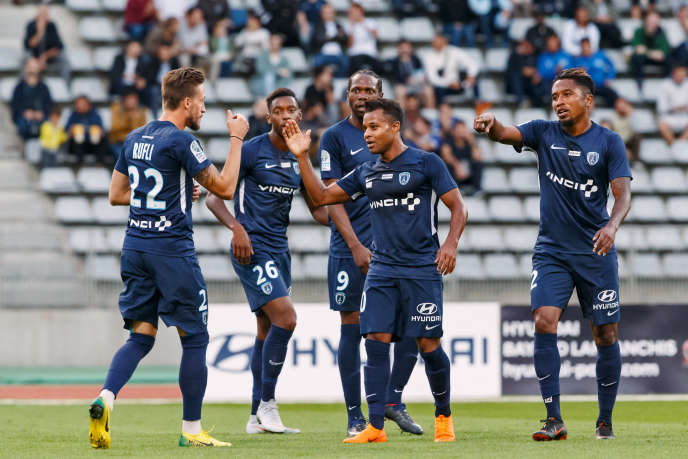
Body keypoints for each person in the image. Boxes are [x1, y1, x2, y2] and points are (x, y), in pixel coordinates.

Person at [286, 97, 468, 443]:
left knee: (429, 344)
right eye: (365, 127)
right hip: (382, 270)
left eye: (374, 127)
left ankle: (443, 416)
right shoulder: (367, 170)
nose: (367, 134)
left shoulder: (426, 162)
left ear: (395, 127)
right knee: (375, 341)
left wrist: (450, 244)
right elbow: (324, 197)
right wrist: (301, 157)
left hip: (420, 269)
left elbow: (458, 207)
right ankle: (375, 427)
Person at [88, 67, 249, 449]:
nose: (205, 109)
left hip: (135, 248)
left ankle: (105, 397)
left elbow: (116, 194)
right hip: (171, 252)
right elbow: (224, 188)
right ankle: (191, 430)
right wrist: (236, 139)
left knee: (141, 338)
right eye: (204, 101)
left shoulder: (134, 137)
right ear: (188, 102)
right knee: (195, 338)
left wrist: (174, 195)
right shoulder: (182, 141)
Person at [474, 67, 632, 441]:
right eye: (554, 96)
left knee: (605, 334)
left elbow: (623, 193)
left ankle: (604, 421)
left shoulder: (609, 142)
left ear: (587, 101)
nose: (558, 102)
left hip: (595, 252)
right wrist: (494, 123)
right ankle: (553, 418)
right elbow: (506, 133)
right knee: (544, 320)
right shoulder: (543, 133)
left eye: (566, 95)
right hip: (552, 252)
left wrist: (611, 227)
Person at [205, 88, 328, 435]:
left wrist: (354, 228)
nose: (286, 116)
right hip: (251, 248)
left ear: (300, 116)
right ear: (269, 117)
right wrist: (237, 228)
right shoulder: (252, 151)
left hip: (278, 250)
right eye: (279, 111)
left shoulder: (299, 156)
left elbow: (318, 208)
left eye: (292, 110)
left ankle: (254, 418)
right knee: (286, 319)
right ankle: (268, 405)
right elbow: (215, 200)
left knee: (266, 329)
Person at [317, 70, 428, 437]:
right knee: (353, 329)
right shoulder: (334, 137)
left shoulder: (387, 133)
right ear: (346, 94)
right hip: (350, 250)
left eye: (369, 89)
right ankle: (355, 415)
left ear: (380, 94)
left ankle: (393, 400)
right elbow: (331, 197)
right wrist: (355, 245)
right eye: (356, 89)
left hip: (392, 252)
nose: (362, 94)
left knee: (411, 327)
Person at [423, 33, 479, 104]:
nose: (434, 43)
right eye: (434, 41)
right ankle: (441, 110)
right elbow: (433, 79)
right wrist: (448, 84)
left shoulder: (454, 51)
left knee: (474, 82)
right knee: (434, 90)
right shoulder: (428, 56)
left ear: (444, 41)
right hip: (441, 86)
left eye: (438, 40)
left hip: (458, 84)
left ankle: (478, 107)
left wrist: (471, 75)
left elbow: (472, 63)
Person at [23, 5, 70, 83]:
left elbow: (59, 46)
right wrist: (40, 33)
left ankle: (65, 86)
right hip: (34, 57)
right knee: (25, 59)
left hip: (49, 57)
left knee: (65, 60)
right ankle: (25, 85)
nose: (43, 17)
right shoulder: (31, 25)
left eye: (45, 14)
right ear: (37, 14)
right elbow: (28, 45)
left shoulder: (52, 25)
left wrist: (45, 56)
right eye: (42, 14)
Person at [11, 58, 52, 140]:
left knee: (48, 128)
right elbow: (15, 105)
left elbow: (49, 104)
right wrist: (24, 112)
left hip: (41, 118)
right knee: (22, 126)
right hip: (24, 119)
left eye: (35, 67)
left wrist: (41, 113)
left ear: (38, 69)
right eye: (30, 67)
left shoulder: (44, 87)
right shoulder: (19, 87)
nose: (32, 70)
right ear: (26, 68)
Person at [65, 95, 111, 167]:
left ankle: (100, 163)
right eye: (78, 104)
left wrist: (100, 133)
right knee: (76, 141)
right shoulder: (73, 116)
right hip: (79, 145)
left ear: (88, 105)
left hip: (92, 143)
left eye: (82, 104)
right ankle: (80, 165)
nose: (79, 106)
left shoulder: (95, 115)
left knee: (104, 140)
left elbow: (102, 130)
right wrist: (71, 131)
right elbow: (67, 131)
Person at [440, 120, 483, 195]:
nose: (461, 131)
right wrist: (457, 166)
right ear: (453, 131)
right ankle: (455, 190)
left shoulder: (470, 143)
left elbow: (478, 157)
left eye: (463, 128)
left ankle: (476, 189)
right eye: (459, 129)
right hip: (455, 172)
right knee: (448, 166)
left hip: (467, 171)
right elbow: (446, 156)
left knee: (478, 164)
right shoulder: (448, 141)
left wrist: (472, 141)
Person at [630, 11, 670, 89]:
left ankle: (667, 81)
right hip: (643, 59)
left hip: (656, 60)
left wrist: (646, 51)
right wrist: (652, 53)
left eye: (654, 22)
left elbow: (662, 54)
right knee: (637, 58)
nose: (652, 24)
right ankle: (639, 81)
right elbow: (638, 49)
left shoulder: (662, 33)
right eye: (650, 21)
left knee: (669, 58)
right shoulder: (639, 31)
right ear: (645, 21)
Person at [574, 38, 618, 107]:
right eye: (583, 46)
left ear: (590, 46)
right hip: (588, 88)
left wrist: (609, 78)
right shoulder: (578, 60)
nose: (585, 48)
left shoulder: (601, 56)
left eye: (587, 46)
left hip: (602, 85)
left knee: (614, 96)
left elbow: (611, 67)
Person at [310, 3, 349, 77]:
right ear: (321, 14)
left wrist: (330, 38)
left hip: (338, 53)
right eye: (326, 13)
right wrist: (336, 37)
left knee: (346, 63)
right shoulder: (318, 25)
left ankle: (339, 82)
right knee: (316, 63)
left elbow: (344, 39)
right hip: (322, 53)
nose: (328, 15)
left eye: (330, 13)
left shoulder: (338, 25)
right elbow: (317, 40)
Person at [109, 89, 148, 159]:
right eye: (129, 99)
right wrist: (128, 119)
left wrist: (134, 120)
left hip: (135, 143)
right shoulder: (116, 108)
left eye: (134, 99)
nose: (131, 101)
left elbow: (143, 131)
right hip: (118, 142)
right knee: (124, 157)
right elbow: (114, 127)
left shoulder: (141, 110)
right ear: (124, 100)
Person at [345, 3, 379, 75]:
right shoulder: (349, 26)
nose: (353, 14)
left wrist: (362, 22)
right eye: (351, 12)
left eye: (354, 12)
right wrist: (352, 27)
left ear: (361, 11)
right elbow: (350, 44)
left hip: (370, 53)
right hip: (355, 54)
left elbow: (376, 36)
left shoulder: (370, 22)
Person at [657, 64, 688, 145]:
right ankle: (674, 146)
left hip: (685, 117)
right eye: (679, 75)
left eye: (683, 75)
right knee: (662, 126)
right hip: (669, 117)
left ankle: (679, 146)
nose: (681, 77)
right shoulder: (664, 85)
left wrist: (681, 108)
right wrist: (675, 108)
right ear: (673, 74)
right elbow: (661, 108)